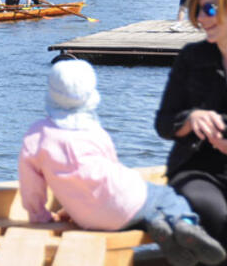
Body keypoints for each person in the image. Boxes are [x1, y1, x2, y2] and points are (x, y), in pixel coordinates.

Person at [20, 59, 226, 266]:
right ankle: (186, 225)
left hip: (87, 218)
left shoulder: (36, 136)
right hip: (126, 203)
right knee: (166, 196)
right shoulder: (94, 132)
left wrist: (39, 215)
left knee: (143, 208)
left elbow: (31, 186)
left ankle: (158, 224)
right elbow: (111, 172)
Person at [156, 0, 227, 257]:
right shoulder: (191, 57)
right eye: (198, 9)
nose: (200, 18)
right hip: (197, 171)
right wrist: (190, 119)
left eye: (209, 8)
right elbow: (163, 123)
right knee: (215, 215)